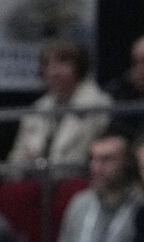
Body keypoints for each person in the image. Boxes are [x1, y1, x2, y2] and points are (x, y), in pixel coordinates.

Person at [7, 40, 112, 169]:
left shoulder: (98, 104)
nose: (53, 72)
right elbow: (16, 158)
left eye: (62, 63)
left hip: (79, 180)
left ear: (79, 67)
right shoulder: (38, 108)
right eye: (47, 64)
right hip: (35, 181)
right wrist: (26, 161)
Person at [53, 130, 142, 242]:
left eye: (107, 159)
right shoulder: (80, 203)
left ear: (128, 163)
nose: (96, 168)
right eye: (94, 159)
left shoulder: (140, 205)